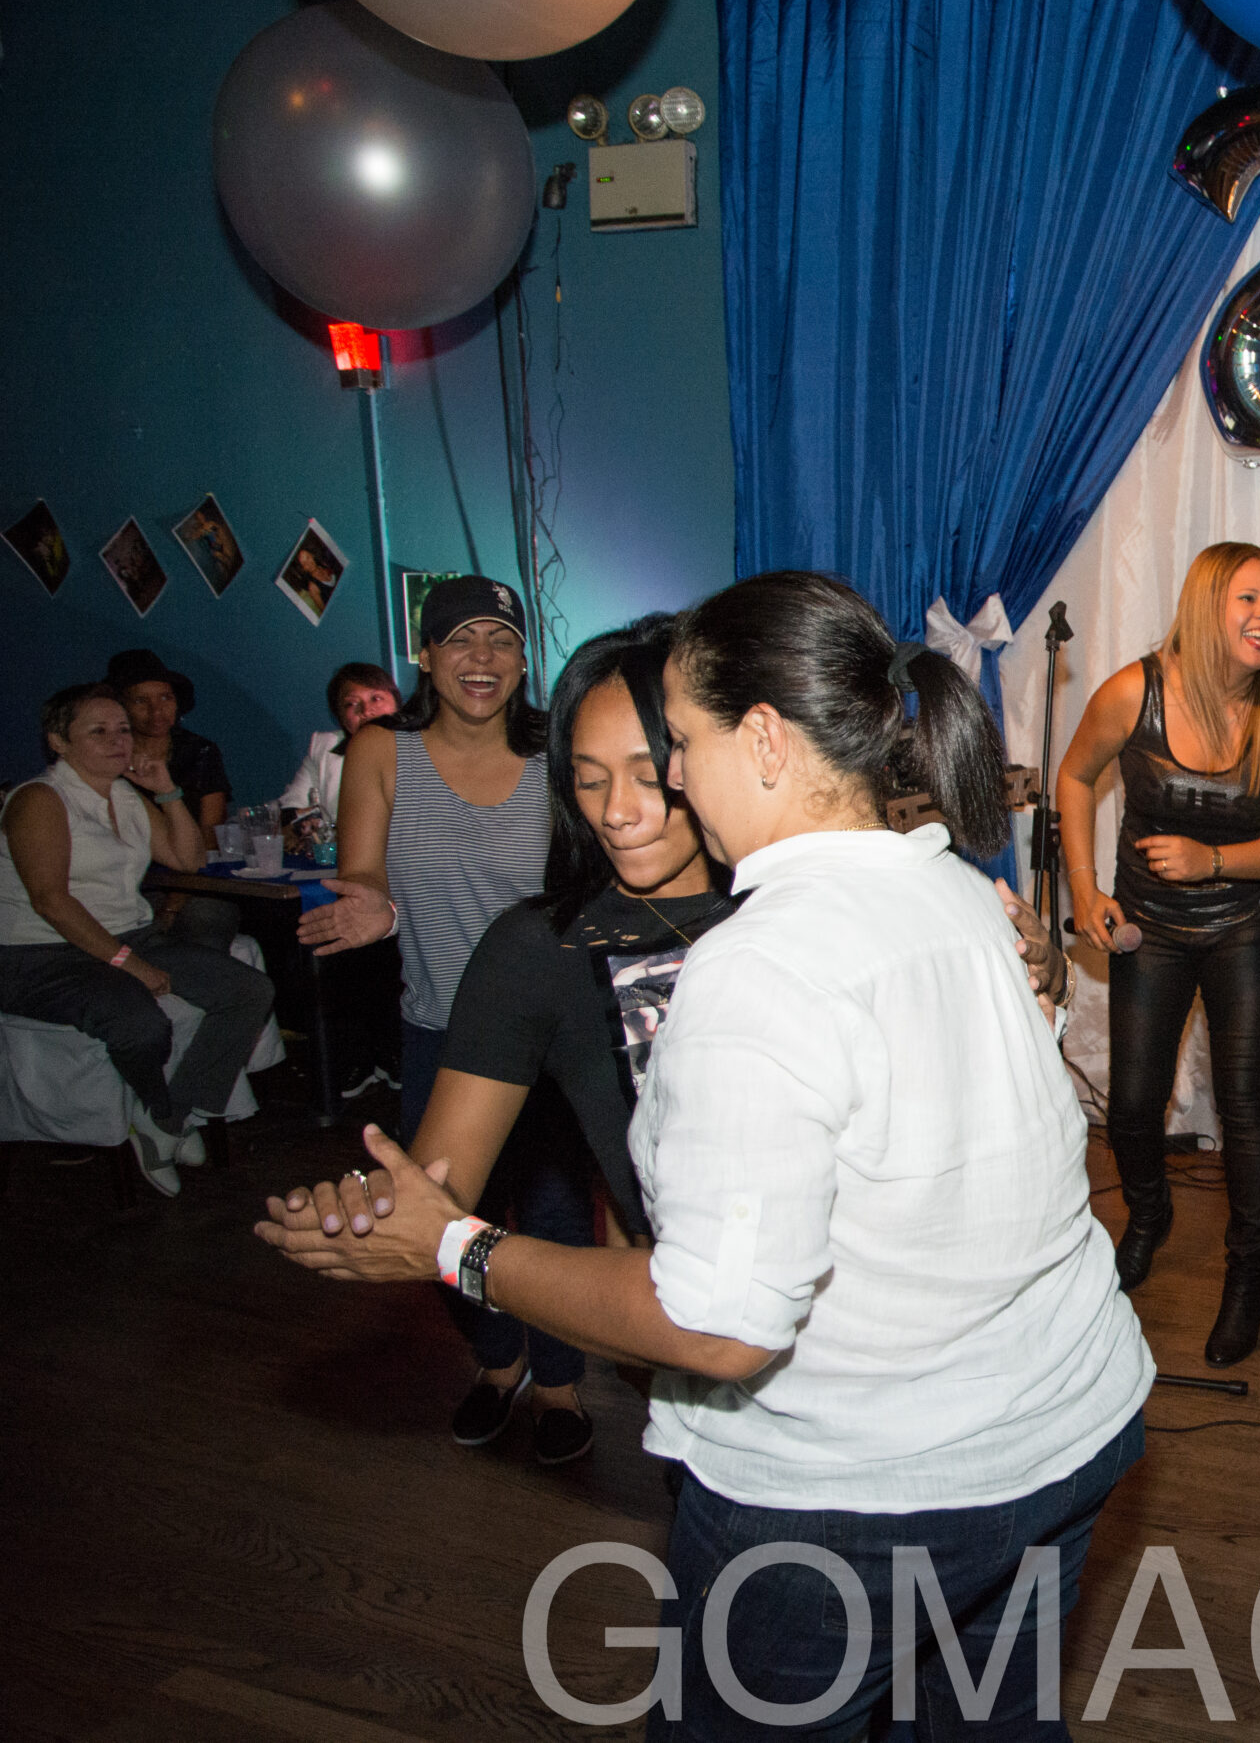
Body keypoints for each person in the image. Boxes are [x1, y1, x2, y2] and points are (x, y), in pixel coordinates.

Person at [261, 570, 1152, 1739]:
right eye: (598, 775)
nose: (665, 783)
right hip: (1063, 1424)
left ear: (766, 739)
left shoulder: (763, 957)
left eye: (674, 745)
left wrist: (463, 1252)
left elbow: (720, 1323)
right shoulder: (946, 881)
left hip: (864, 1487)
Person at [297, 575, 584, 1449]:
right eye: (461, 638)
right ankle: (498, 1363)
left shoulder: (558, 753)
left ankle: (560, 1385)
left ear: (523, 659)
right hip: (439, 1028)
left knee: (554, 1218)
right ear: (424, 655)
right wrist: (374, 909)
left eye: (501, 639)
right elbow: (367, 872)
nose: (482, 657)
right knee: (442, 1215)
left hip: (548, 1035)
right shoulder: (380, 751)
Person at [1057, 542, 1260, 1368]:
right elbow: (1074, 777)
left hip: (1245, 922)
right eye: (1249, 598)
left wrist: (1213, 860)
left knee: (1244, 1103)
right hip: (1149, 926)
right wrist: (1083, 889)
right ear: (1208, 605)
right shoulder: (1133, 692)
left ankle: (1248, 1273)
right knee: (1134, 1106)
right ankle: (1148, 1213)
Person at [0, 684, 274, 1192]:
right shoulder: (40, 798)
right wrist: (129, 962)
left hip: (130, 934)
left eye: (122, 729)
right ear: (58, 741)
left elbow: (188, 859)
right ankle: (159, 1109)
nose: (118, 740)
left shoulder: (124, 794)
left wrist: (166, 789)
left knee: (248, 989)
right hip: (41, 955)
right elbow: (50, 901)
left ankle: (165, 1121)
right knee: (140, 1023)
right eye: (98, 731)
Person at [108, 647, 237, 949]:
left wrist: (175, 904)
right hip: (129, 884)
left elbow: (210, 838)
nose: (156, 711)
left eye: (165, 698)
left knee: (208, 916)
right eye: (141, 701)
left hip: (195, 881)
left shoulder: (199, 751)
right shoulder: (109, 758)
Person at [277, 661, 401, 828]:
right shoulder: (324, 748)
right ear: (339, 715)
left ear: (397, 703)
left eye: (376, 699)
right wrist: (307, 823)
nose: (366, 711)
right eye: (352, 704)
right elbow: (289, 809)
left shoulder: (423, 747)